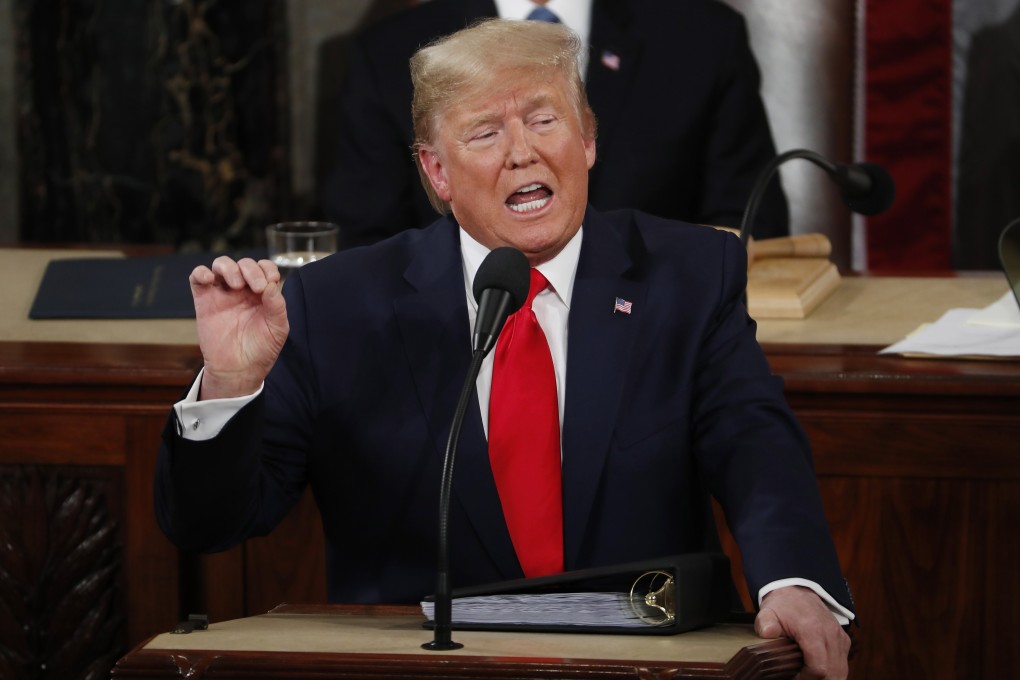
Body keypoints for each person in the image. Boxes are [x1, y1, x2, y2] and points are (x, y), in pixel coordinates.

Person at [156, 19, 852, 678]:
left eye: (545, 120)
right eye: (485, 132)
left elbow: (754, 443)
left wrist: (793, 578)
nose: (523, 151)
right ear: (437, 172)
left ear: (587, 141)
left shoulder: (691, 275)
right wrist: (228, 382)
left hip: (641, 661)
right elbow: (213, 523)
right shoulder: (336, 306)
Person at [323, 0, 789, 248]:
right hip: (459, 354)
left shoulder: (702, 37)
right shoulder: (391, 54)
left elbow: (750, 222)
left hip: (662, 353)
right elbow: (369, 241)